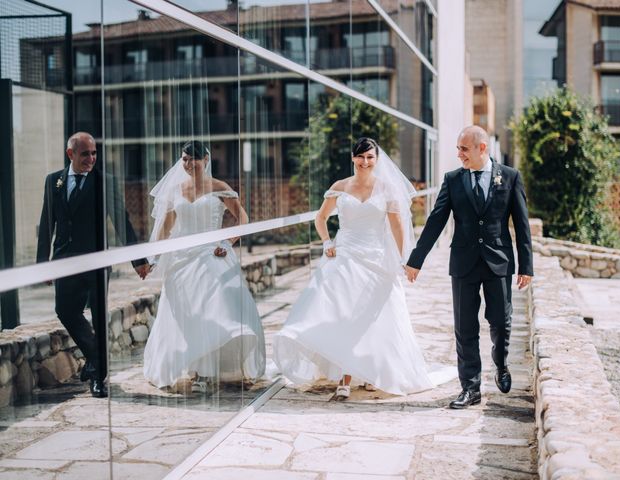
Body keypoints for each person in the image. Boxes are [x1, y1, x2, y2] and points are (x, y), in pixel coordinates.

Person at [273, 137, 456, 399]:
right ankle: (344, 379)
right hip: (344, 256)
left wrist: (405, 259)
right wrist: (327, 242)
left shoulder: (387, 189)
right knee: (342, 315)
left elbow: (396, 227)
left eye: (370, 157)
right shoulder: (340, 186)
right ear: (352, 157)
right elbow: (321, 217)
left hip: (375, 260)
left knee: (370, 320)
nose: (365, 162)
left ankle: (370, 371)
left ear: (377, 160)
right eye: (360, 156)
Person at [404, 125, 534, 409]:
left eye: (464, 148)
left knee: (500, 321)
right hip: (463, 263)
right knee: (465, 328)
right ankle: (471, 388)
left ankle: (500, 364)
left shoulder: (510, 177)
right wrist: (416, 259)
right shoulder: (453, 180)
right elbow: (436, 221)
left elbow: (522, 225)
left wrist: (527, 265)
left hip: (498, 262)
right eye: (458, 148)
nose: (459, 154)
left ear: (482, 148)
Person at [143, 140, 266, 391]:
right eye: (185, 159)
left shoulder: (219, 187)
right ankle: (196, 369)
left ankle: (206, 372)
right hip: (181, 261)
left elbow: (243, 217)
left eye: (194, 159)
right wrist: (152, 257)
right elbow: (166, 228)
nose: (189, 164)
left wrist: (228, 241)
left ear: (206, 160)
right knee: (188, 315)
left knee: (212, 312)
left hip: (212, 256)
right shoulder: (177, 190)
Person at [37, 132, 150, 398]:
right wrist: (43, 264)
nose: (91, 159)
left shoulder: (104, 182)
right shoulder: (54, 181)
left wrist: (139, 260)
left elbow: (121, 220)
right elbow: (47, 223)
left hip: (97, 263)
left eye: (94, 153)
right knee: (65, 311)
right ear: (70, 154)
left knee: (99, 318)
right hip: (64, 261)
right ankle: (97, 360)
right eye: (85, 154)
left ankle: (98, 378)